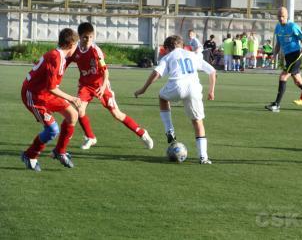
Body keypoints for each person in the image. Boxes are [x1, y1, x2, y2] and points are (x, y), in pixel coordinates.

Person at [68, 22, 153, 150]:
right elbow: (65, 61)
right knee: (80, 110)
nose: (88, 40)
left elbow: (106, 72)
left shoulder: (96, 51)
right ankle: (90, 137)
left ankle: (142, 133)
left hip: (101, 85)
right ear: (80, 37)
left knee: (116, 114)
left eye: (91, 37)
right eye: (85, 37)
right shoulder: (75, 50)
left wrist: (102, 88)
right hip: (85, 86)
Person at [134, 35, 216, 164]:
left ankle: (169, 130)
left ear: (167, 48)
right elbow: (212, 71)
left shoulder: (168, 56)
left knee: (162, 97)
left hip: (177, 85)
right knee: (197, 122)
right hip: (194, 89)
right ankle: (203, 157)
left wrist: (143, 89)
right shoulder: (192, 55)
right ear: (182, 46)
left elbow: (156, 73)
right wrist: (211, 91)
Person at [21, 28, 81, 171]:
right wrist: (72, 98)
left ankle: (59, 151)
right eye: (76, 44)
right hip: (34, 96)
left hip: (46, 93)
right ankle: (30, 155)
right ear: (71, 44)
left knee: (73, 115)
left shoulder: (59, 55)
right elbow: (52, 88)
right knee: (52, 130)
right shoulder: (56, 58)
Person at [265, 7, 302, 112]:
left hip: (296, 56)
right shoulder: (278, 27)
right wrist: (274, 55)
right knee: (299, 82)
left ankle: (277, 105)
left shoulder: (293, 26)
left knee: (283, 76)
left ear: (287, 16)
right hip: (287, 56)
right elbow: (278, 44)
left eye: (283, 16)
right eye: (279, 16)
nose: (281, 18)